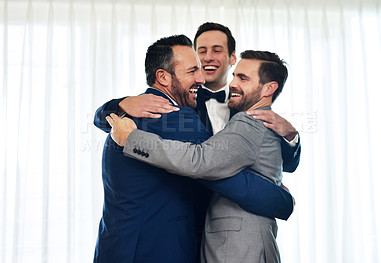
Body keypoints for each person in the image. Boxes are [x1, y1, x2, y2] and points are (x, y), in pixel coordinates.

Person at [93, 34, 294, 263]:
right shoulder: (176, 119)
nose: (201, 77)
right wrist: (280, 199)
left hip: (114, 248)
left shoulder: (127, 113)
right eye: (192, 71)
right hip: (157, 251)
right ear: (163, 77)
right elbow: (214, 170)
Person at [93, 22, 301, 173]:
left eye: (217, 50)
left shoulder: (250, 104)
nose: (208, 57)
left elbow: (279, 163)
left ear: (232, 58)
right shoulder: (177, 101)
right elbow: (114, 126)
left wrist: (291, 136)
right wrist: (120, 104)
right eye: (202, 51)